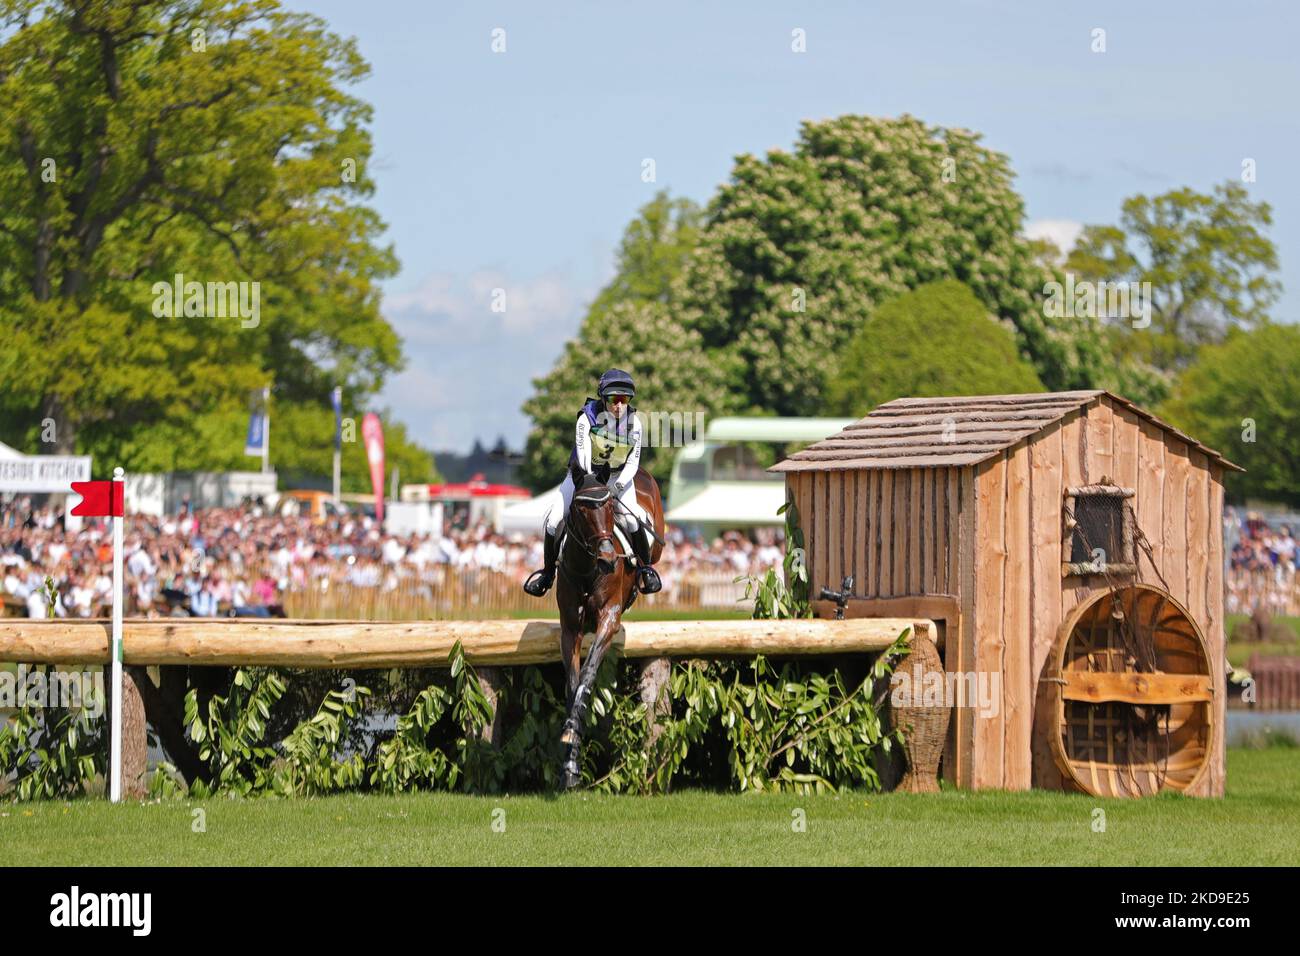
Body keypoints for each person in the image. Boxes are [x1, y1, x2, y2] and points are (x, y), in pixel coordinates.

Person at [523, 368, 661, 596]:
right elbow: (584, 457)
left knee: (634, 519)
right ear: (602, 398)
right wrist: (595, 487)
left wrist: (615, 487)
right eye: (613, 399)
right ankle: (548, 574)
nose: (618, 405)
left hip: (617, 478)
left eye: (624, 400)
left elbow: (633, 464)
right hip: (582, 478)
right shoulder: (585, 419)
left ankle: (644, 571)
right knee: (554, 519)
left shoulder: (635, 424)